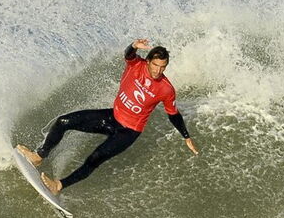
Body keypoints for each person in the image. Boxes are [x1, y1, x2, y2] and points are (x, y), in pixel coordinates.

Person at [17, 38, 199, 195]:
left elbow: (173, 114)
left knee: (94, 158)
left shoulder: (166, 89)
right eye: (155, 65)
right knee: (63, 121)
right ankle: (39, 156)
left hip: (128, 132)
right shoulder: (136, 65)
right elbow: (128, 54)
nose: (158, 71)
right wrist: (134, 45)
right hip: (112, 117)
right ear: (148, 61)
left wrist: (186, 136)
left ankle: (58, 185)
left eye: (163, 67)